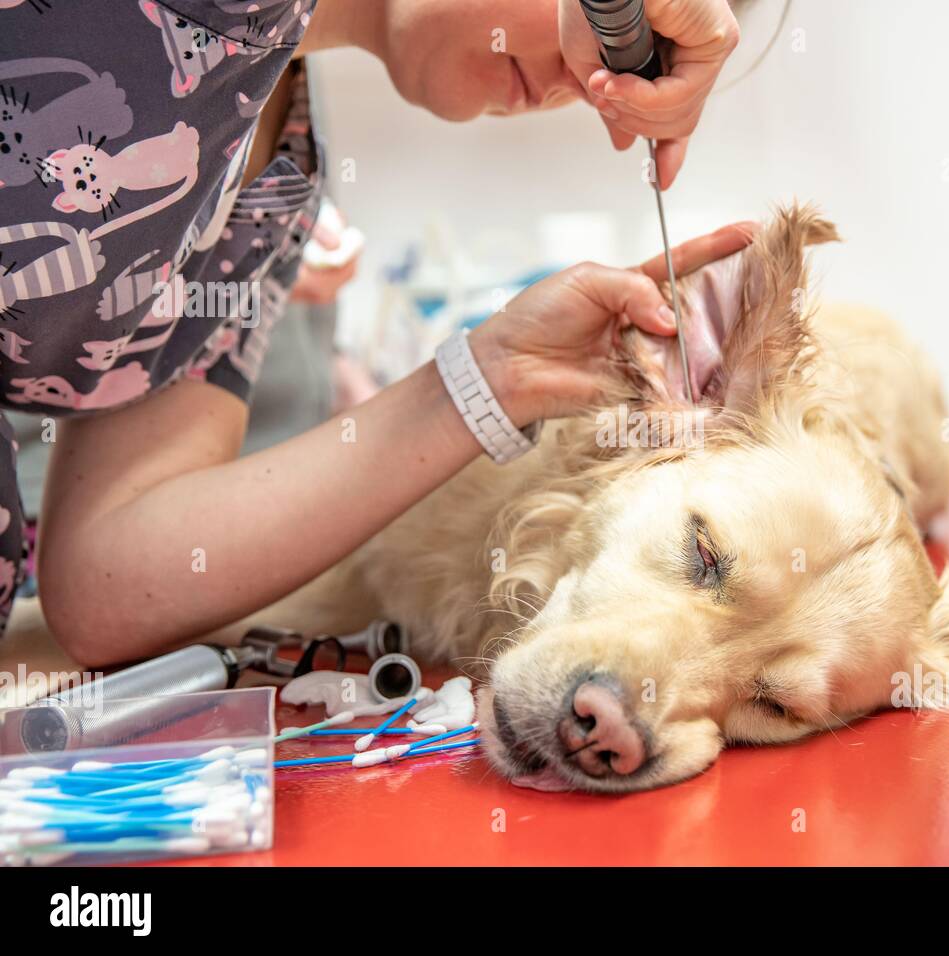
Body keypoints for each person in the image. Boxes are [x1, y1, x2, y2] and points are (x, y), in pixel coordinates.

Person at [0, 0, 747, 664]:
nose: (588, 83)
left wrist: (492, 377)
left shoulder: (273, 198)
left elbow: (104, 587)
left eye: (629, 70)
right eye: (616, 42)